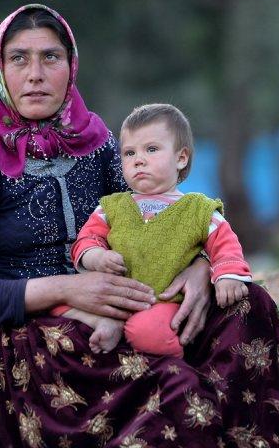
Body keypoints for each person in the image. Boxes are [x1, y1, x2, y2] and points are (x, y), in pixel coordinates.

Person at [0, 3, 279, 447]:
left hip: (126, 306)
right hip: (29, 335)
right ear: (0, 68)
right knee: (178, 390)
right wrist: (68, 289)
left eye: (50, 57)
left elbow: (156, 216)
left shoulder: (99, 144)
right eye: (19, 58)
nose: (35, 74)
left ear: (71, 66)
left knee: (250, 305)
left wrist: (201, 270)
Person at [56, 103, 252, 358]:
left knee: (148, 333)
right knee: (57, 305)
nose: (138, 160)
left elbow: (225, 245)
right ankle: (109, 323)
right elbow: (87, 239)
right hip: (113, 296)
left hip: (161, 300)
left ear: (181, 158)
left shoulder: (198, 209)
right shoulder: (112, 206)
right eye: (129, 153)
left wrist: (228, 276)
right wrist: (97, 256)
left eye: (151, 149)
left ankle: (176, 365)